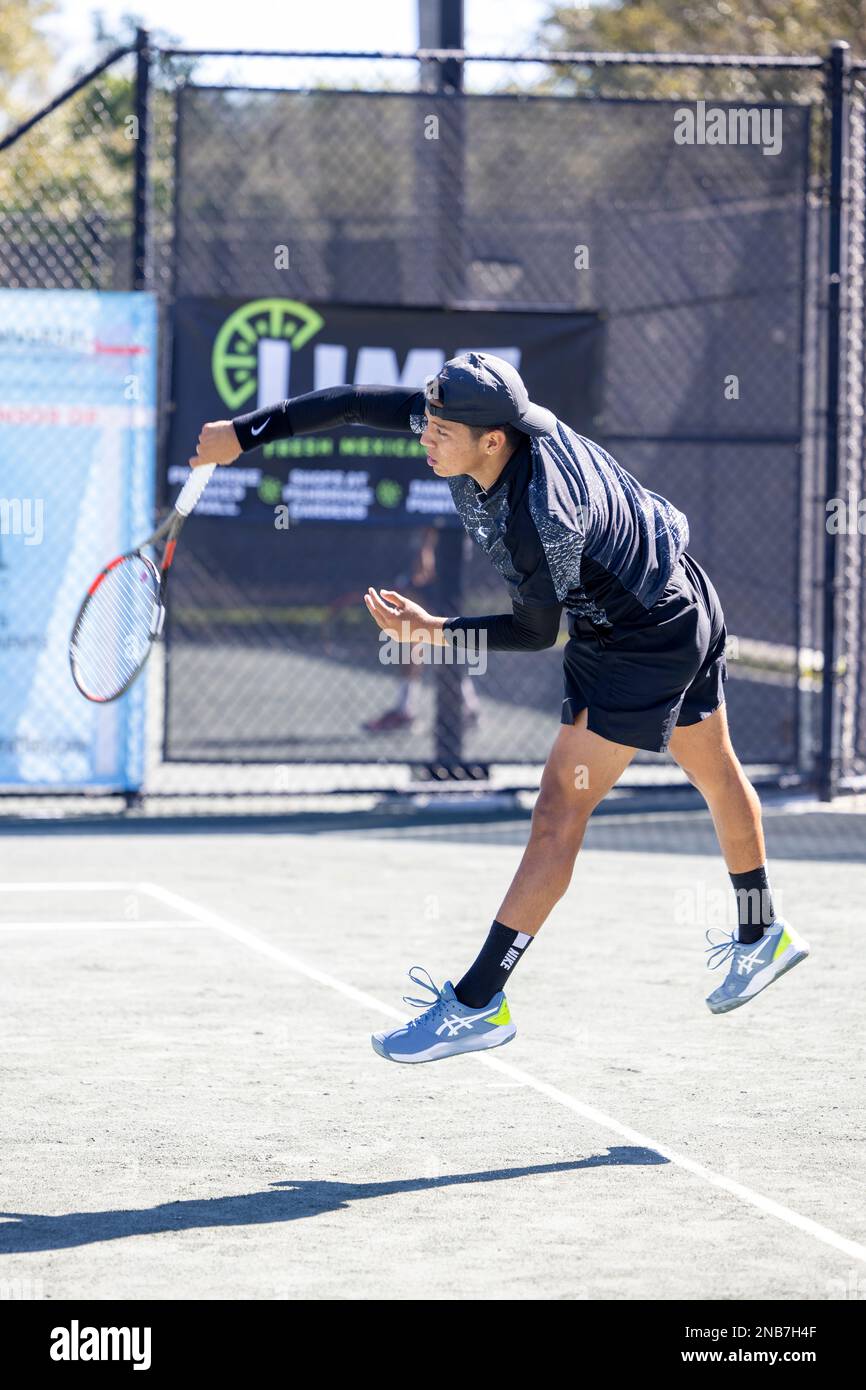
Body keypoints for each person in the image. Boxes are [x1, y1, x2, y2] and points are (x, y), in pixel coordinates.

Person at [189, 351, 810, 1064]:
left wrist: (432, 632)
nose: (424, 436)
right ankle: (762, 931)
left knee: (558, 812)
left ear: (493, 440)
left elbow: (533, 632)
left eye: (440, 431)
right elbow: (354, 400)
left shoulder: (540, 516)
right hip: (679, 589)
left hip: (640, 635)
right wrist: (246, 432)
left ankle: (480, 1003)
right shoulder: (481, 425)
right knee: (713, 766)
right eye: (427, 423)